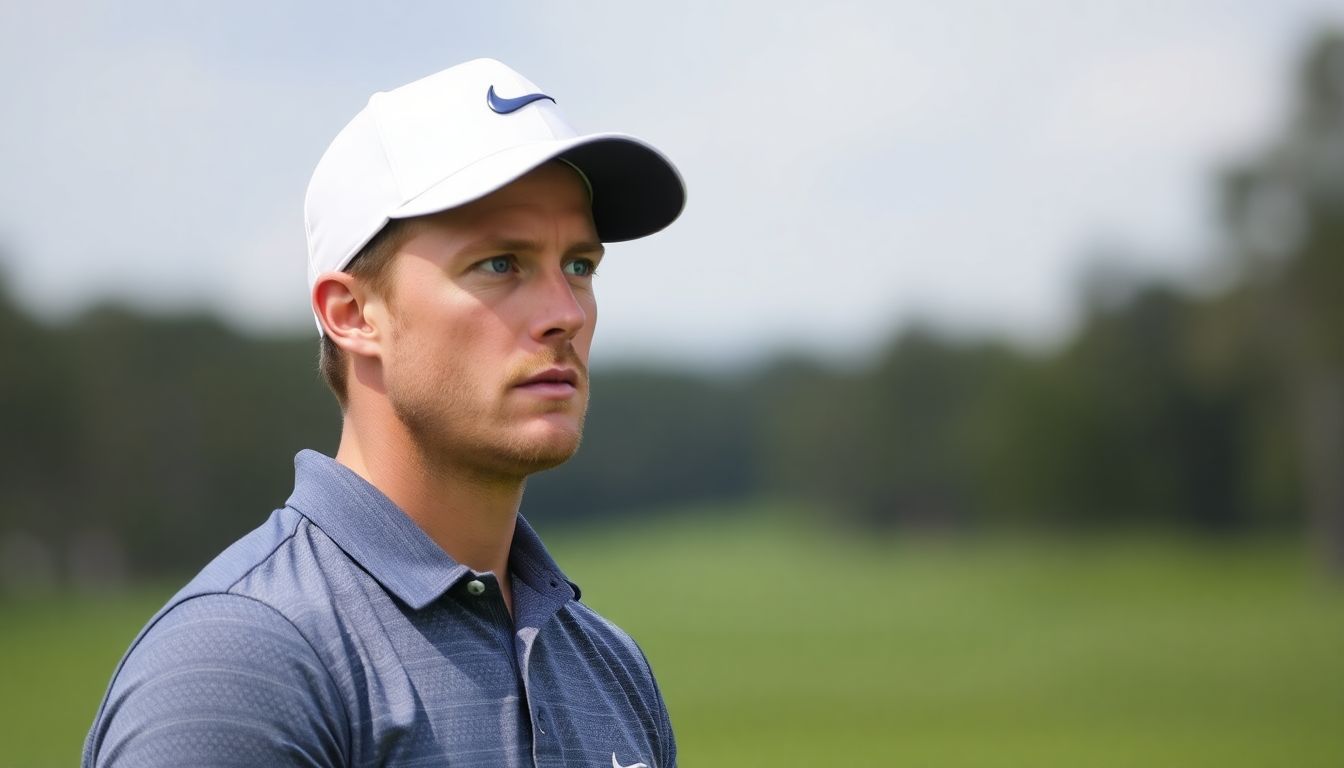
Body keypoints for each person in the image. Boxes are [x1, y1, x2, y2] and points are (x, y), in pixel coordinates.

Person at [82, 58, 685, 768]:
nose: (564, 314)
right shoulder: (237, 666)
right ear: (352, 314)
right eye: (500, 264)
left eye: (580, 266)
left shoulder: (611, 668)